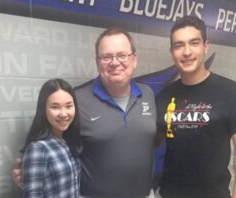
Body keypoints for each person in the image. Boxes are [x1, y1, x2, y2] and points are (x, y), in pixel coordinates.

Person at [13, 27, 157, 198]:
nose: (115, 62)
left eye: (122, 55)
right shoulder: (77, 100)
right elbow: (50, 138)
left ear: (134, 59)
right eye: (106, 57)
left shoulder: (147, 94)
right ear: (97, 62)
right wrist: (28, 164)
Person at [156, 15, 236, 198]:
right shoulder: (164, 96)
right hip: (170, 193)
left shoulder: (231, 92)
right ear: (172, 52)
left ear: (206, 46)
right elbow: (151, 141)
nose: (186, 52)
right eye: (179, 45)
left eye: (194, 43)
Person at [21, 78, 82, 198]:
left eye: (69, 106)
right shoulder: (38, 149)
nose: (64, 114)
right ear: (43, 110)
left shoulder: (67, 141)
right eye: (55, 107)